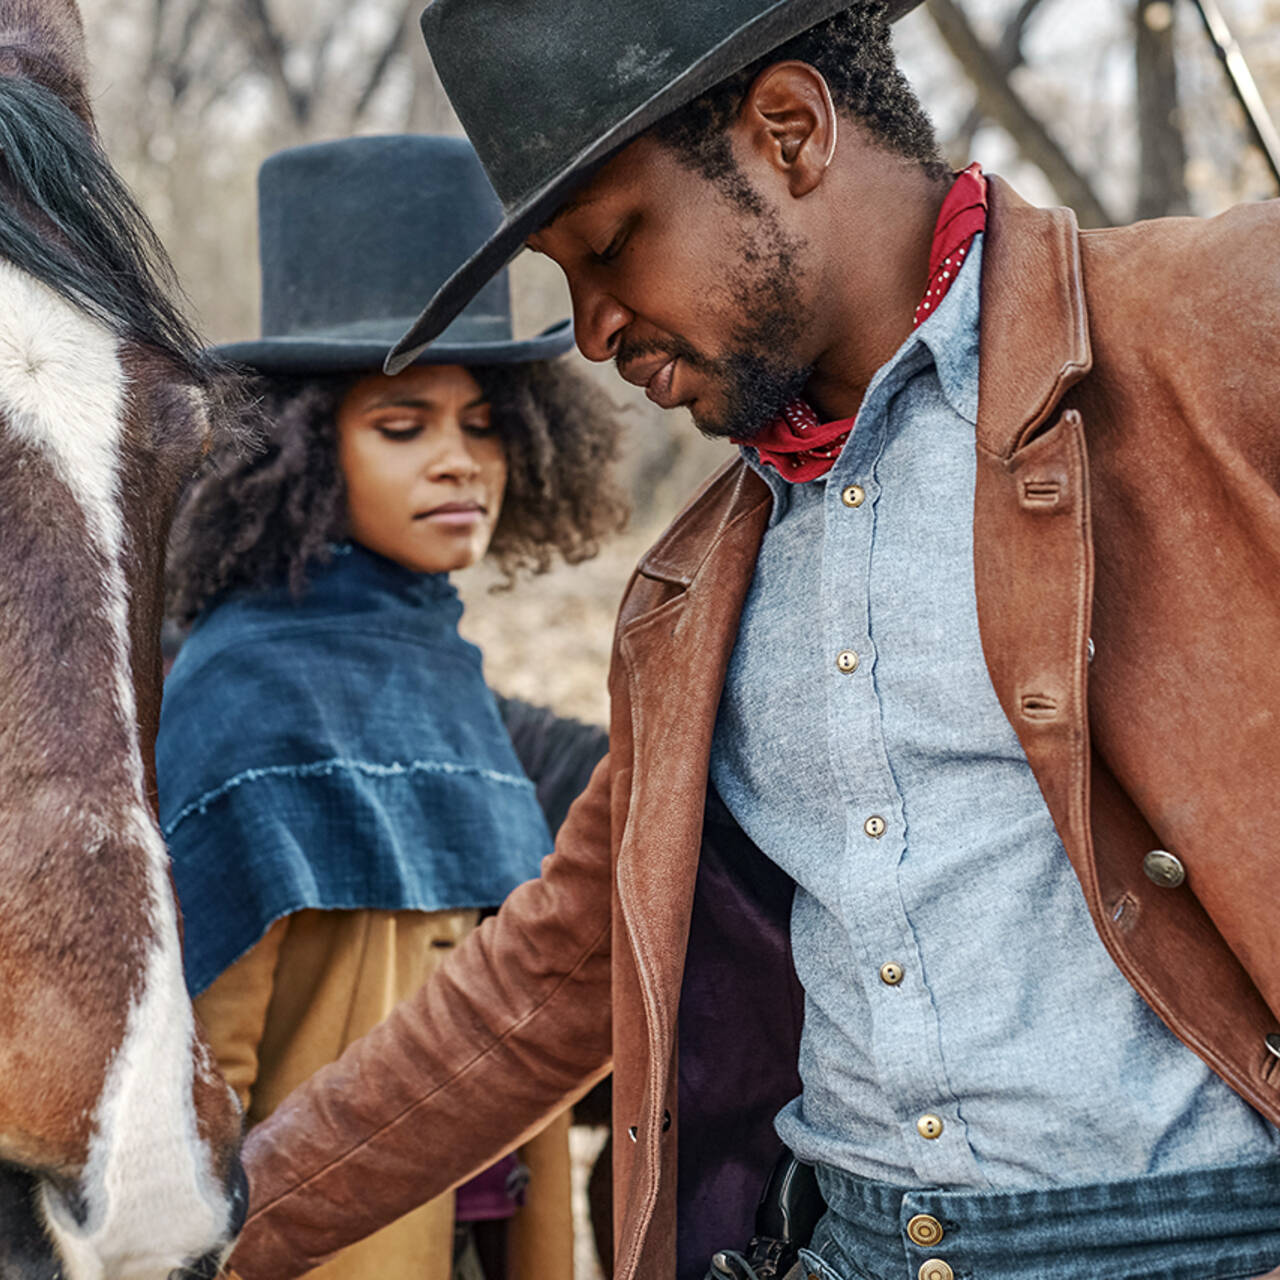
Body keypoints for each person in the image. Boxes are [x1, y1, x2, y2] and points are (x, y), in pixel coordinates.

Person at [224, 5, 1280, 1280]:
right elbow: (558, 966)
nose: (594, 328)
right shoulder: (693, 588)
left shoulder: (1212, 326)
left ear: (788, 131)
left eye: (612, 244)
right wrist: (203, 1229)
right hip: (834, 1242)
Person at [157, 134, 623, 1280]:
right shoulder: (244, 677)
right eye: (402, 425)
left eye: (480, 421)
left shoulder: (439, 660)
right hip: (320, 1245)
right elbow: (204, 1051)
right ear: (307, 450)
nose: (459, 460)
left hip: (485, 1226)